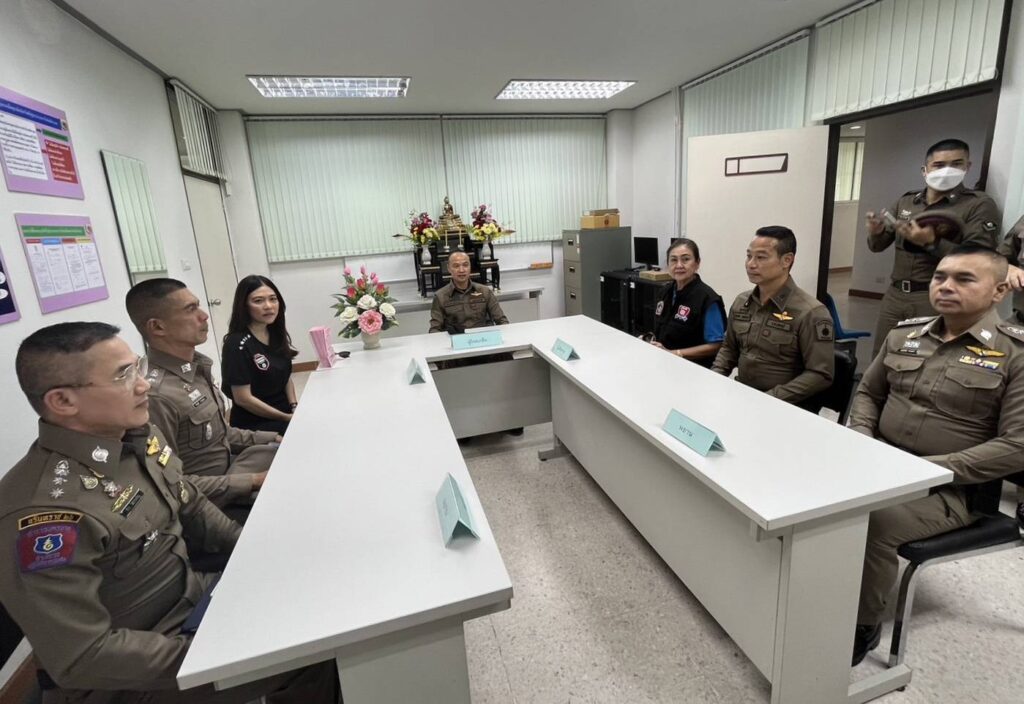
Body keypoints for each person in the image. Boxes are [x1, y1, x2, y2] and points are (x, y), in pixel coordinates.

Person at [0, 322, 337, 702]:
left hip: (191, 600)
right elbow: (86, 656)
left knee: (317, 590)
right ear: (63, 401)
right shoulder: (46, 514)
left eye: (137, 367)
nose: (144, 384)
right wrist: (211, 656)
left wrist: (253, 549)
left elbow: (189, 501)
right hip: (133, 676)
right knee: (315, 650)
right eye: (123, 376)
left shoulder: (134, 438)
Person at [848, 245, 1024, 666]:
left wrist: (925, 470)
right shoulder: (904, 334)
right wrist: (860, 438)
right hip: (881, 462)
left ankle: (861, 623)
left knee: (873, 519)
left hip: (955, 489)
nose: (946, 286)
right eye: (940, 277)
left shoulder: (1015, 354)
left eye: (964, 279)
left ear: (999, 291)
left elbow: (1017, 445)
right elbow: (869, 392)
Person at [125, 278, 278, 509]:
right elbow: (169, 484)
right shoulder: (156, 395)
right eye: (190, 309)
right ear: (157, 327)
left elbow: (220, 435)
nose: (204, 315)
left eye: (198, 306)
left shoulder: (195, 368)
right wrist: (254, 481)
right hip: (210, 502)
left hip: (232, 472)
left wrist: (274, 438)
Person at [865, 138, 1001, 355]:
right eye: (939, 165)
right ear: (925, 170)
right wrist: (876, 232)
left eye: (956, 164)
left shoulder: (977, 204)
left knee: (926, 357)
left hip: (938, 296)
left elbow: (980, 259)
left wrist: (931, 243)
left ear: (967, 167)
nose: (947, 170)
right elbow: (877, 246)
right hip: (895, 294)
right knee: (883, 354)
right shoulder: (907, 202)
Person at [711, 226, 835, 406]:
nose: (751, 264)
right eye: (749, 256)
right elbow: (729, 348)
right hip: (742, 395)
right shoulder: (742, 302)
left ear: (786, 260)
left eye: (761, 257)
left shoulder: (811, 312)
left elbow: (820, 374)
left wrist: (769, 400)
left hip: (784, 405)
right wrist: (714, 380)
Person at [221, 276, 298, 435]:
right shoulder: (236, 344)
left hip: (284, 413)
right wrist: (285, 418)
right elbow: (243, 399)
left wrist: (294, 406)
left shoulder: (274, 333)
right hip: (256, 423)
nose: (268, 306)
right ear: (244, 306)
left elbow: (284, 376)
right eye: (258, 301)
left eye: (273, 299)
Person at [646, 238, 726, 367]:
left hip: (693, 369)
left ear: (697, 263)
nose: (679, 265)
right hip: (663, 363)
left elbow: (716, 345)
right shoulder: (665, 292)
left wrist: (675, 353)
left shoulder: (708, 299)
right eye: (673, 260)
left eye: (685, 259)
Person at [429, 251, 508, 334]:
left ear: (470, 266)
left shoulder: (484, 291)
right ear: (449, 268)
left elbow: (502, 320)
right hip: (456, 339)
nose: (461, 270)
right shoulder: (440, 296)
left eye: (465, 265)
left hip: (483, 338)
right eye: (456, 266)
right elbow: (435, 329)